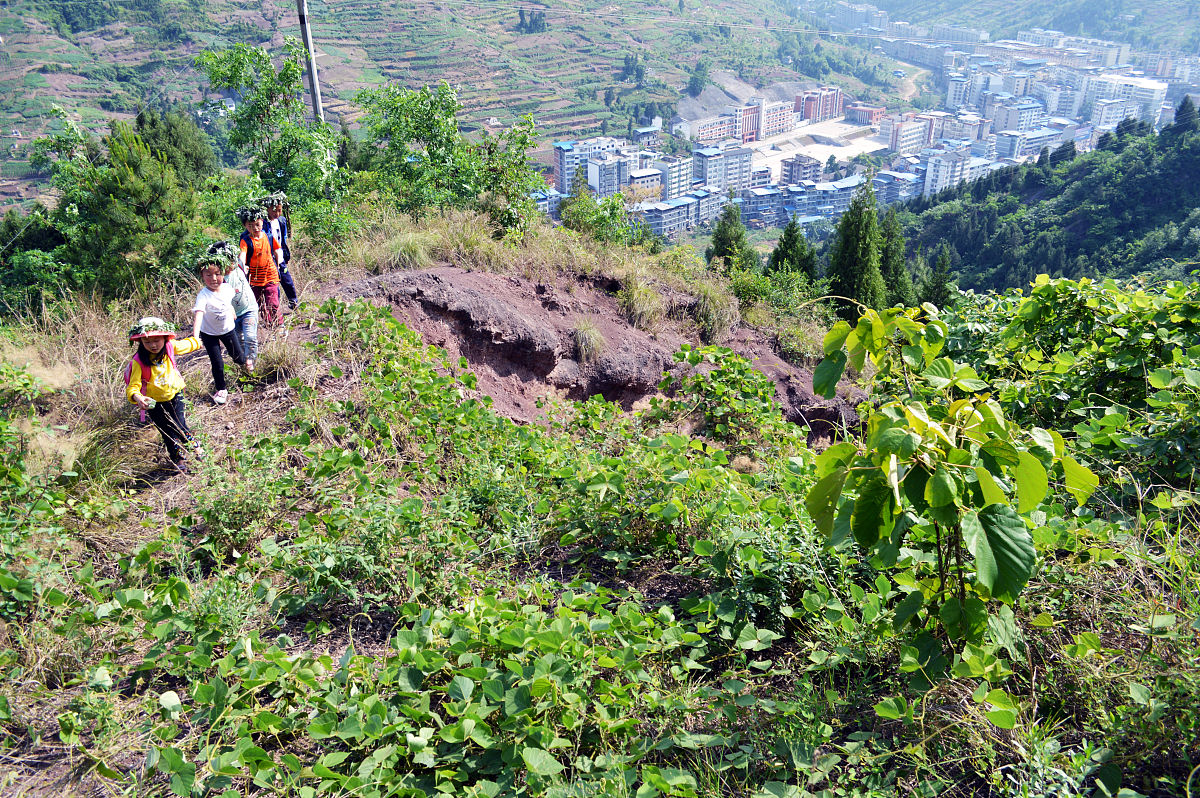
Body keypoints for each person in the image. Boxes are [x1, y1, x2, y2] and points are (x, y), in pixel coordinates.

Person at [124, 317, 204, 473]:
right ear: (140, 342)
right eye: (147, 342)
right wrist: (138, 398)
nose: (153, 345)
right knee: (166, 431)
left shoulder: (170, 347)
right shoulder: (138, 362)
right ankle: (178, 458)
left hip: (176, 393)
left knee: (180, 424)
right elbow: (133, 386)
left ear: (165, 338)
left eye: (156, 340)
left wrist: (197, 342)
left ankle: (197, 450)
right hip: (155, 402)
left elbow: (185, 345)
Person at [193, 255, 246, 405]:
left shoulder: (228, 288)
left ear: (223, 273)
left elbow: (227, 301)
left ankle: (246, 368)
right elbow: (199, 314)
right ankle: (221, 389)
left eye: (217, 274)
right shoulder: (203, 295)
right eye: (208, 275)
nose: (213, 278)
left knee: (239, 358)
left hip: (227, 329)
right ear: (202, 276)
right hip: (208, 333)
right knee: (217, 362)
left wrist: (231, 309)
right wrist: (196, 337)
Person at [206, 240, 258, 373]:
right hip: (232, 317)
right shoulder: (217, 281)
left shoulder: (239, 266)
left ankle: (251, 364)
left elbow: (242, 253)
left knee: (250, 337)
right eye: (227, 262)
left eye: (232, 259)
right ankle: (244, 368)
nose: (232, 264)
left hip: (249, 309)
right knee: (238, 343)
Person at [237, 206, 283, 325]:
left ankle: (279, 324)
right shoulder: (246, 241)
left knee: (272, 302)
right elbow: (243, 254)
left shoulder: (268, 236)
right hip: (254, 278)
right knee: (258, 303)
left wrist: (278, 265)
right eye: (250, 226)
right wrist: (241, 267)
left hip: (270, 274)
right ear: (245, 226)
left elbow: (277, 250)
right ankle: (269, 324)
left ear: (262, 221)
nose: (255, 228)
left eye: (257, 224)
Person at [261, 192, 299, 309]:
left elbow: (283, 238)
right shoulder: (262, 223)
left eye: (279, 210)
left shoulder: (281, 221)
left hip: (280, 255)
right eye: (274, 210)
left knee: (286, 279)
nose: (277, 213)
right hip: (268, 258)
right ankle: (274, 308)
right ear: (267, 209)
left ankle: (293, 301)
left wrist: (285, 253)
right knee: (273, 283)